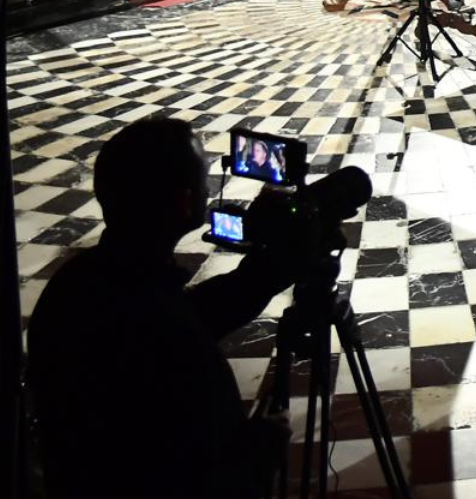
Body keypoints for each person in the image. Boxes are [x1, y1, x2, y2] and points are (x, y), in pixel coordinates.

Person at [28, 117, 296, 499]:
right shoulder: (166, 334)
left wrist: (263, 275)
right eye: (204, 178)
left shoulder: (76, 283)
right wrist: (262, 446)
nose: (208, 187)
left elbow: (184, 315)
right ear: (185, 199)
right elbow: (204, 479)